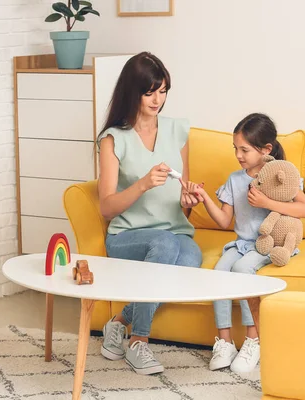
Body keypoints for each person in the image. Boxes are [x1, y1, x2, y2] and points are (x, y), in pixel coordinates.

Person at [96, 52, 203, 375]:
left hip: (174, 230)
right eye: (150, 91)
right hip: (127, 236)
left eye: (163, 90)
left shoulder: (177, 130)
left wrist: (188, 199)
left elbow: (182, 193)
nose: (158, 99)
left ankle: (119, 321)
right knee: (166, 246)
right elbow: (106, 207)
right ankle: (139, 342)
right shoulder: (114, 139)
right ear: (133, 91)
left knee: (189, 259)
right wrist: (142, 184)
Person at [189, 113, 305, 373]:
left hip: (270, 243)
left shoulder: (280, 174)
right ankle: (224, 341)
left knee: (242, 270)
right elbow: (224, 221)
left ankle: (253, 338)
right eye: (236, 148)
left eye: (244, 149)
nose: (238, 155)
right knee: (219, 272)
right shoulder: (235, 180)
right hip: (242, 243)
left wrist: (267, 203)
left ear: (266, 149)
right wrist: (203, 198)